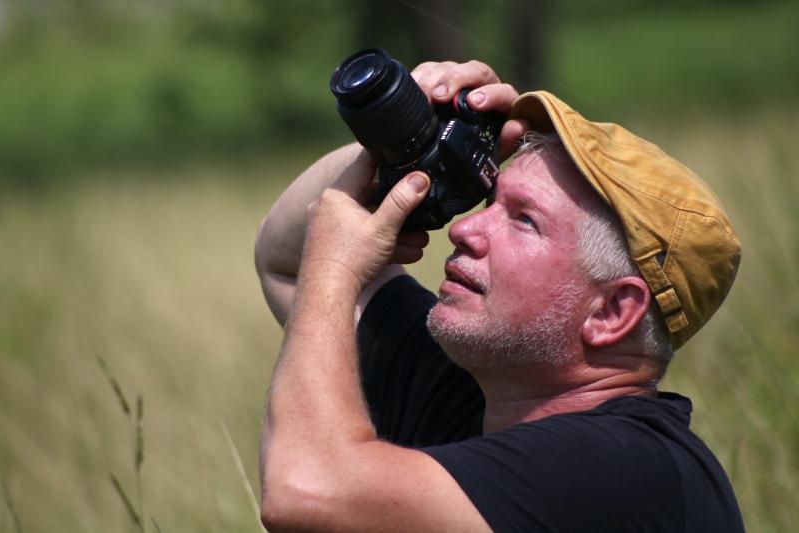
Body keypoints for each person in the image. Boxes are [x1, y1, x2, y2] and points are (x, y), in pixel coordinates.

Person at [254, 60, 745, 532]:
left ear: (612, 312)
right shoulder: (482, 397)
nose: (466, 227)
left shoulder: (626, 467)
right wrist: (414, 139)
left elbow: (305, 491)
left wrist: (335, 264)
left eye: (524, 220)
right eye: (492, 200)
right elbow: (289, 261)